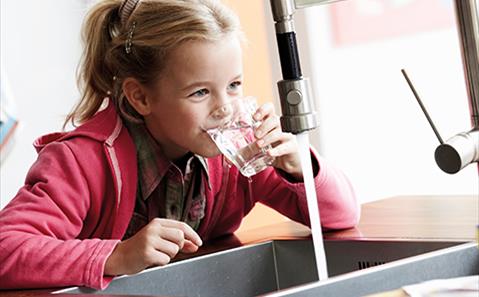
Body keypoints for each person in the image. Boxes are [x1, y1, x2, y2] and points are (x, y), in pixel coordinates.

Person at [0, 0, 359, 290]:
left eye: (234, 85)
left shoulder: (237, 155)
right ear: (140, 97)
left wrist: (300, 168)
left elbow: (342, 215)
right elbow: (6, 250)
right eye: (200, 92)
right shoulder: (80, 162)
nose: (225, 108)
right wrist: (116, 256)